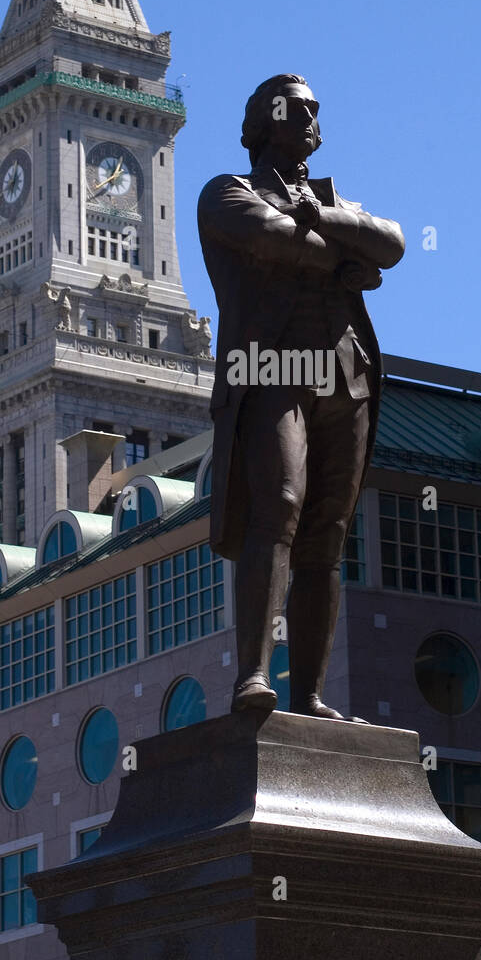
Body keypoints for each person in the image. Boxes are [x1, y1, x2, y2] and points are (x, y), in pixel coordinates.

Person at [197, 74, 404, 719]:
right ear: (268, 120)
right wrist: (344, 256)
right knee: (279, 504)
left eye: (318, 109)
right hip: (271, 368)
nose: (315, 120)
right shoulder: (227, 192)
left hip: (346, 377)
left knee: (329, 532)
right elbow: (272, 238)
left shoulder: (329, 198)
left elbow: (391, 245)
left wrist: (329, 220)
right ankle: (253, 678)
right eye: (302, 109)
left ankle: (310, 694)